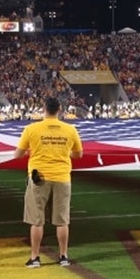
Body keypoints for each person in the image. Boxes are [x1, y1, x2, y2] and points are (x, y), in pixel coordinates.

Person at [14, 96, 83, 267]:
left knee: (36, 220)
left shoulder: (32, 129)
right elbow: (79, 154)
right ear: (59, 109)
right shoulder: (70, 129)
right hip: (62, 177)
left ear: (44, 109)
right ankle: (63, 256)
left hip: (39, 177)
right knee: (62, 220)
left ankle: (35, 257)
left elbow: (18, 154)